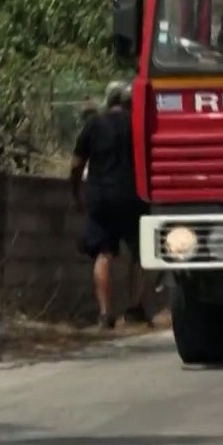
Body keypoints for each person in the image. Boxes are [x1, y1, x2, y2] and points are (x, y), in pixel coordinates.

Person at [70, 82, 152, 329]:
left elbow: (76, 164)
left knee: (103, 254)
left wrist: (76, 194)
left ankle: (106, 314)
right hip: (133, 196)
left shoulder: (93, 125)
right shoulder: (139, 125)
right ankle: (135, 308)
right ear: (129, 101)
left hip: (101, 196)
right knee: (140, 254)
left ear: (109, 100)